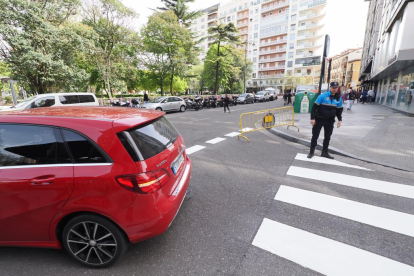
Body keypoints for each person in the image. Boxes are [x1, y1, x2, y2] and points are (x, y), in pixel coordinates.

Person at [307, 82, 343, 159]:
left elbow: (339, 110)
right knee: (315, 136)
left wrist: (340, 120)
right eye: (333, 88)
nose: (334, 89)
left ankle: (324, 152)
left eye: (336, 88)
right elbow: (314, 107)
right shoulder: (322, 96)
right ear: (330, 88)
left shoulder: (339, 98)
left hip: (330, 121)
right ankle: (311, 152)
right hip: (319, 119)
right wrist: (312, 118)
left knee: (327, 137)